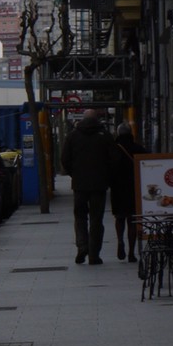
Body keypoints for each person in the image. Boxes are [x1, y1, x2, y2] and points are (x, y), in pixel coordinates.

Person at [60, 108, 116, 265]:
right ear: (97, 118)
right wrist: (106, 176)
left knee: (80, 217)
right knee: (96, 219)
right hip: (99, 185)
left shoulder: (72, 136)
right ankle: (94, 254)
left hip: (79, 185)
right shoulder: (105, 136)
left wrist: (75, 174)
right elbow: (114, 160)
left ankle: (82, 245)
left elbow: (64, 159)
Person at [110, 121, 144, 262]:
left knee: (119, 217)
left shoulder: (112, 150)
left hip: (117, 188)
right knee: (132, 219)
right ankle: (131, 252)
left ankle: (119, 240)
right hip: (134, 188)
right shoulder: (139, 149)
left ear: (118, 134)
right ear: (131, 133)